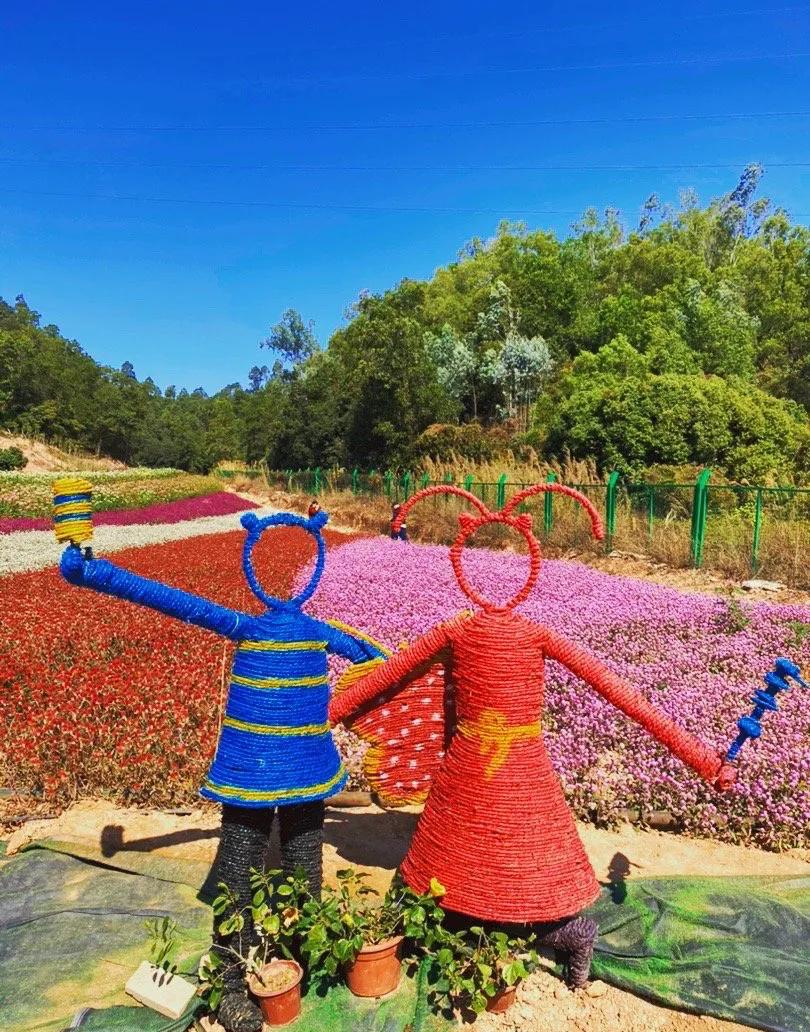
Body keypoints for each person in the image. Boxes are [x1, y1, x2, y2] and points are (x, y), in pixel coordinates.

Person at [331, 483, 738, 989]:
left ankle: (550, 932)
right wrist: (704, 760)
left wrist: (704, 760)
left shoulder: (462, 629)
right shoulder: (510, 632)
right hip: (496, 762)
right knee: (481, 856)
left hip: (489, 761)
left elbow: (384, 677)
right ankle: (540, 932)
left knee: (491, 857)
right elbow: (623, 695)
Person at [60, 508, 386, 1032]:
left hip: (304, 766)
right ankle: (232, 979)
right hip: (253, 769)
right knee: (243, 868)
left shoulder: (304, 631)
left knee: (297, 866)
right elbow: (166, 598)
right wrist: (92, 570)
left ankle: (305, 952)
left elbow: (375, 662)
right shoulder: (274, 629)